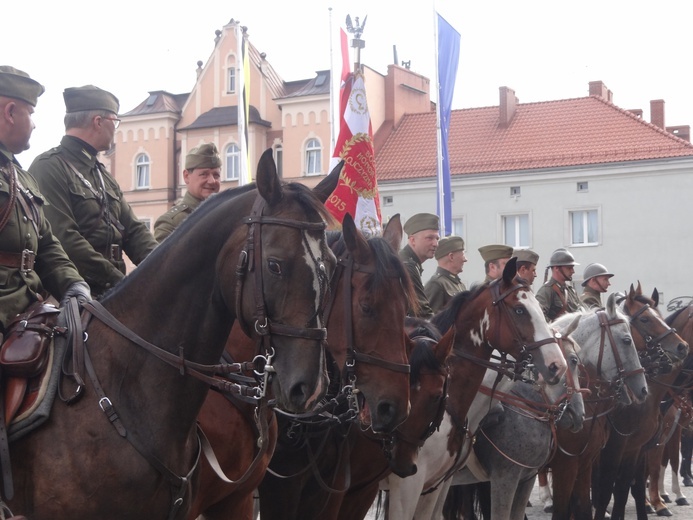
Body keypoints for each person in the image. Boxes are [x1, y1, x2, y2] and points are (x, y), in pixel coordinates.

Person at [29, 85, 158, 298]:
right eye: (114, 122)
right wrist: (120, 282)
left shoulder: (101, 174)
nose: (116, 129)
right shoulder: (49, 167)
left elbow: (134, 231)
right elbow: (64, 238)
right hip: (72, 292)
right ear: (98, 122)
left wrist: (164, 265)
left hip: (112, 290)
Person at [0, 66, 90, 331]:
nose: (34, 123)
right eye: (31, 113)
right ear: (10, 112)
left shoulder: (21, 177)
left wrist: (73, 284)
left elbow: (46, 243)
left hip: (30, 309)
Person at [153, 143, 221, 241]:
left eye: (216, 175)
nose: (212, 181)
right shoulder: (172, 223)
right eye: (204, 174)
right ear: (186, 176)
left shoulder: (229, 215)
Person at [399, 213, 439, 319]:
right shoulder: (407, 266)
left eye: (437, 238)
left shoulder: (409, 263)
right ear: (412, 240)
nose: (435, 243)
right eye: (429, 238)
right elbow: (422, 312)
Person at [536, 248, 582, 321]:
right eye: (569, 268)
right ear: (557, 268)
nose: (573, 271)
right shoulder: (546, 290)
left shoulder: (571, 290)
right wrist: (554, 328)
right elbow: (538, 316)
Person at [424, 235, 467, 312]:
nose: (465, 259)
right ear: (451, 257)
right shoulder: (436, 284)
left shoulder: (460, 284)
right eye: (463, 254)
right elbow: (430, 320)